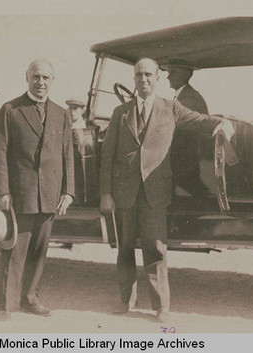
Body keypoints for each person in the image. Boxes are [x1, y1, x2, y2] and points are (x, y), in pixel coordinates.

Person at [99, 58, 233, 322]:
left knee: (155, 247)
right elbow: (107, 155)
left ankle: (162, 306)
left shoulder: (171, 108)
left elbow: (201, 120)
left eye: (149, 74)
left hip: (155, 192)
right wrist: (106, 192)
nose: (143, 79)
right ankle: (125, 300)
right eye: (139, 75)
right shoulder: (120, 112)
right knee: (124, 248)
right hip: (124, 192)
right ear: (133, 79)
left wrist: (222, 123)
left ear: (158, 78)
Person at [0, 58, 74, 319]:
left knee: (39, 251)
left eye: (45, 78)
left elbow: (67, 154)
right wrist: (3, 191)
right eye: (36, 77)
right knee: (15, 250)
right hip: (21, 193)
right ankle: (7, 307)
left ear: (52, 81)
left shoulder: (61, 113)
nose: (40, 82)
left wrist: (68, 191)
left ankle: (30, 298)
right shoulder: (10, 110)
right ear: (27, 77)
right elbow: (0, 153)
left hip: (49, 194)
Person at [167, 60, 210, 196]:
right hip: (185, 153)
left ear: (184, 75)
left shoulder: (190, 98)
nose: (168, 77)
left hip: (185, 155)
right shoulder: (185, 95)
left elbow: (175, 125)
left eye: (172, 72)